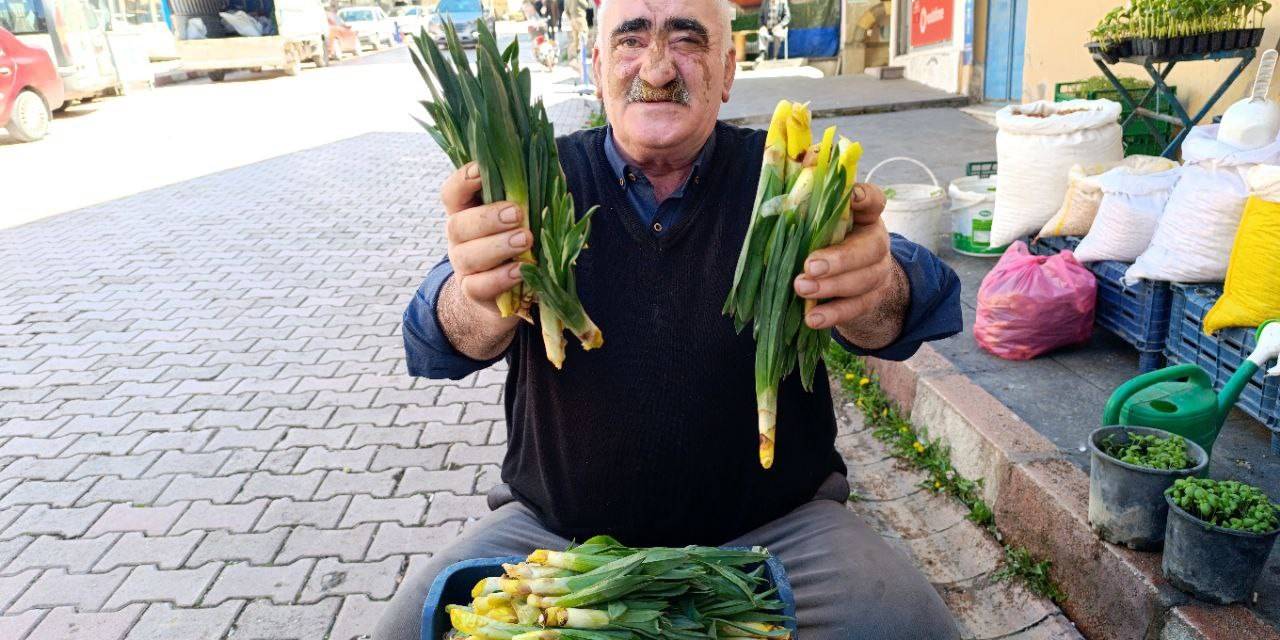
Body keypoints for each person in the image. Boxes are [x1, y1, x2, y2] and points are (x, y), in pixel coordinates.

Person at [375, 0, 963, 638]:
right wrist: (476, 298)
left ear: (728, 69)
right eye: (631, 41)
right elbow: (429, 339)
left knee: (909, 622)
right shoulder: (537, 184)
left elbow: (923, 301)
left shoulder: (786, 176)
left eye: (687, 41)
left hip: (780, 534)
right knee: (410, 625)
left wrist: (874, 290)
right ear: (597, 67)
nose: (656, 71)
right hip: (551, 535)